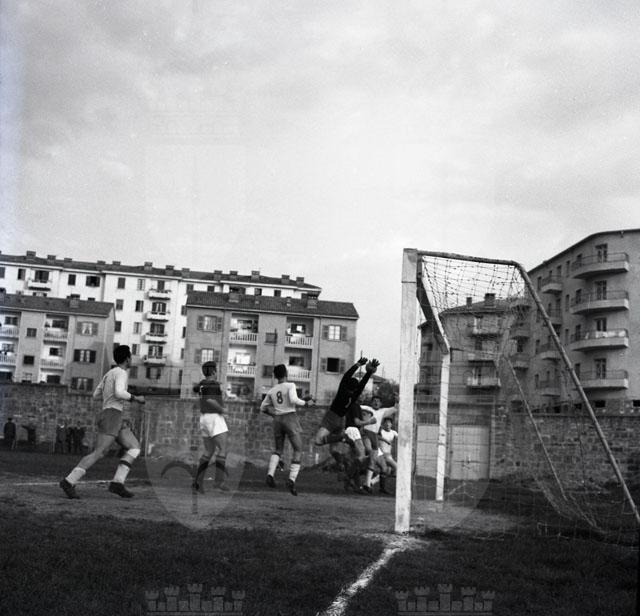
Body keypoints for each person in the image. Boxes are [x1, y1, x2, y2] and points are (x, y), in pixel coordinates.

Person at [59, 345, 145, 499]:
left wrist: (110, 400)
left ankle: (117, 483)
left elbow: (96, 394)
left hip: (114, 414)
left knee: (134, 447)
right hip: (112, 414)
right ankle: (69, 481)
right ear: (127, 359)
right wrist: (136, 398)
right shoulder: (121, 373)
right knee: (99, 453)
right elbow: (119, 392)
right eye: (130, 357)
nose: (131, 359)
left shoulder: (109, 373)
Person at [313, 357, 379, 471]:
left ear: (346, 384)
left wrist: (357, 364)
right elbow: (362, 384)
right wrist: (369, 373)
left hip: (332, 417)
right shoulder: (354, 395)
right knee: (333, 450)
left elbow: (346, 376)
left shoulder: (342, 390)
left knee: (318, 440)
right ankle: (343, 464)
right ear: (355, 388)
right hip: (341, 420)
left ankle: (343, 438)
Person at [260, 364, 314, 496]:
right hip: (290, 418)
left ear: (275, 376)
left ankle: (270, 474)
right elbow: (293, 399)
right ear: (286, 374)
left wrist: (274, 414)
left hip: (278, 420)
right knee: (298, 449)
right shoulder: (290, 385)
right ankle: (291, 480)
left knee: (278, 449)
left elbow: (263, 408)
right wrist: (306, 403)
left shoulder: (272, 390)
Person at [192, 360, 229, 494]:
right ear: (213, 371)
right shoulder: (213, 384)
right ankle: (218, 482)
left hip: (204, 418)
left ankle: (197, 482)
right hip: (214, 418)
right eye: (216, 369)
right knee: (223, 449)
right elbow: (210, 399)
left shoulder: (202, 384)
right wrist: (222, 409)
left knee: (209, 451)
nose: (217, 372)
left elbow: (196, 389)